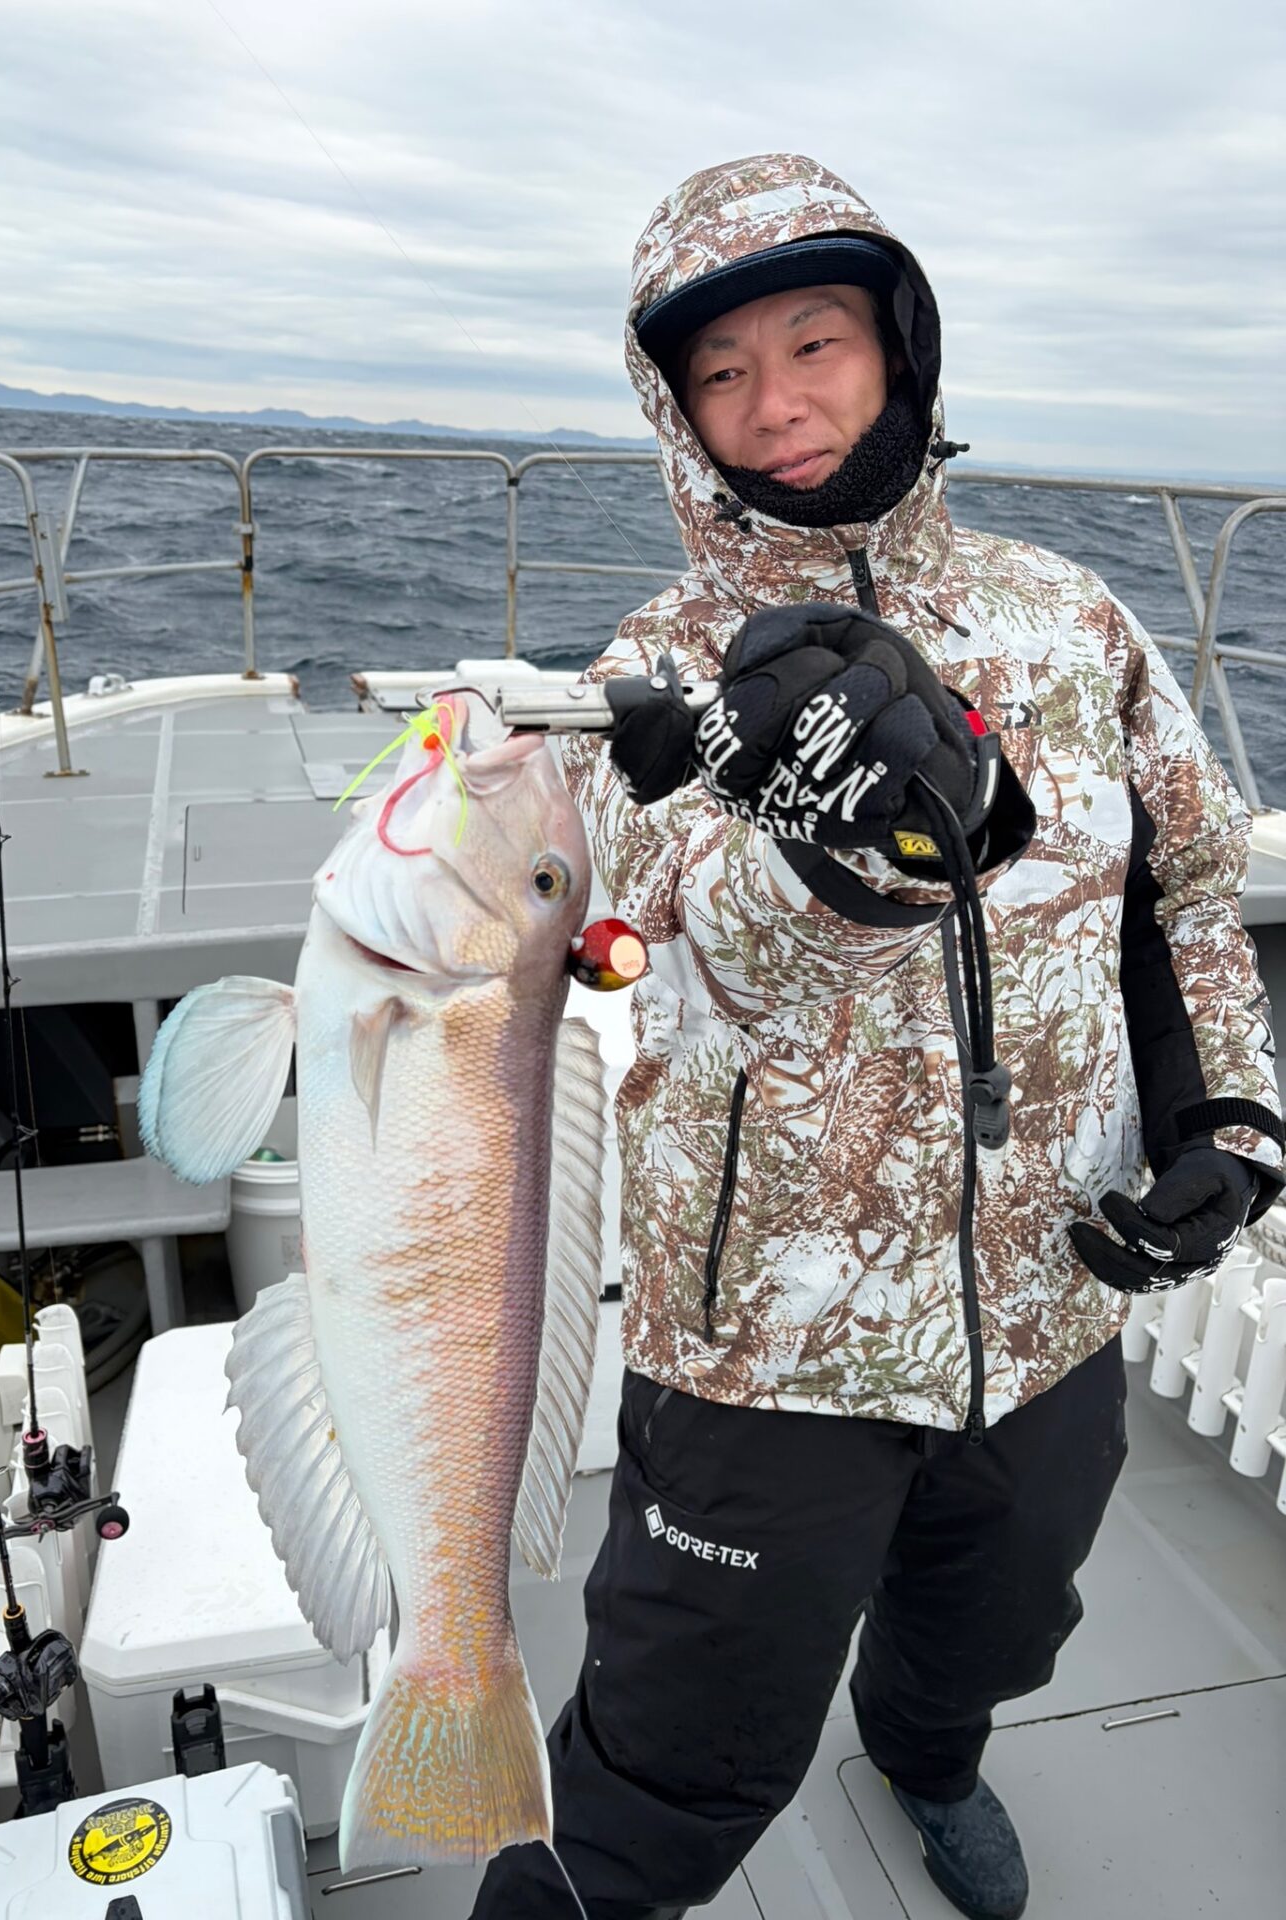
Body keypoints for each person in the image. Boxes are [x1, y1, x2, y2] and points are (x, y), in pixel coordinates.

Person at [469, 153, 1283, 1920]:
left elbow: (1187, 892)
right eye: (722, 372)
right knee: (674, 1742)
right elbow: (684, 957)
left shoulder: (1075, 621)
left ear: (898, 347)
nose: (777, 404)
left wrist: (1226, 1119)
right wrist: (849, 857)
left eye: (816, 343)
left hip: (1053, 1297)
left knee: (998, 1618)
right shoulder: (648, 678)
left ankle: (930, 1752)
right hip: (765, 1334)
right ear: (679, 414)